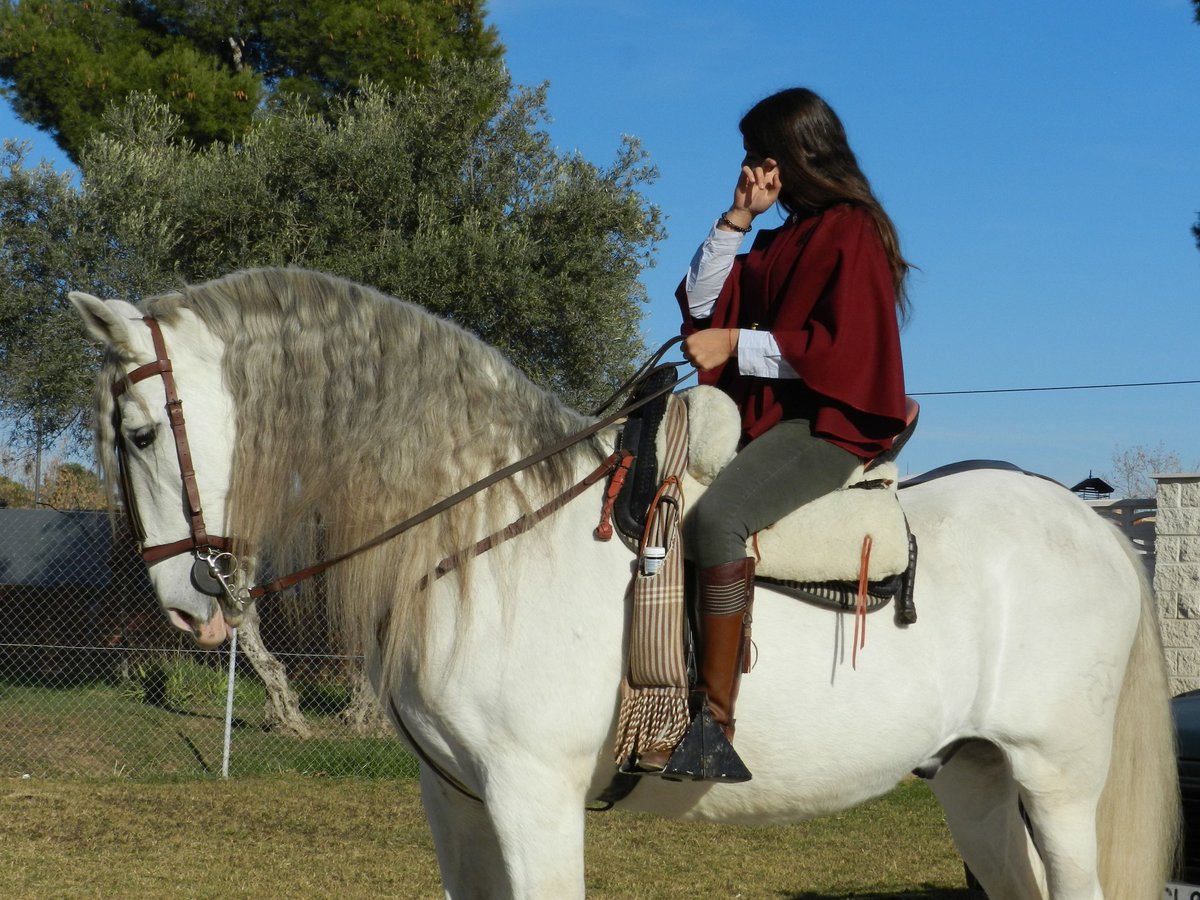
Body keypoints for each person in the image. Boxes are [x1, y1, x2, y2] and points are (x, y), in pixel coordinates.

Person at [670, 87, 910, 767]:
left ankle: (713, 725)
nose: (752, 171)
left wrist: (736, 347)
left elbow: (846, 350)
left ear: (794, 156)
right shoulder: (782, 238)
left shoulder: (853, 231)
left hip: (830, 426)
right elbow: (702, 301)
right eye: (747, 161)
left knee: (717, 522)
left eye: (760, 158)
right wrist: (738, 218)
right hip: (771, 422)